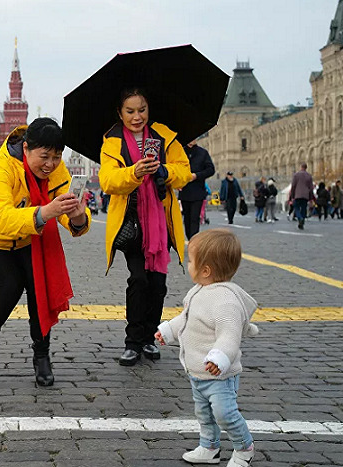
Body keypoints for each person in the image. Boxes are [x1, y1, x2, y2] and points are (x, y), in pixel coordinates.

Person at [0, 117, 91, 389]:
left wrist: (77, 217)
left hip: (26, 234)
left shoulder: (55, 168)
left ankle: (42, 356)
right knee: (10, 285)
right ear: (26, 148)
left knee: (38, 284)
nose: (50, 164)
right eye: (44, 157)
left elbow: (63, 206)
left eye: (56, 157)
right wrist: (46, 212)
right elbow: (1, 218)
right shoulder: (1, 167)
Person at [98, 88, 192, 366]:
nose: (137, 116)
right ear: (120, 113)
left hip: (161, 223)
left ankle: (150, 337)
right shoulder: (112, 141)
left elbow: (184, 172)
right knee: (138, 279)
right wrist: (134, 172)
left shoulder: (165, 136)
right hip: (131, 222)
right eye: (130, 111)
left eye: (142, 110)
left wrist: (164, 170)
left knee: (158, 284)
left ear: (149, 109)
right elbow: (107, 181)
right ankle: (133, 341)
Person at [156, 229, 258, 467]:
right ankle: (209, 447)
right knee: (204, 414)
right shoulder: (199, 291)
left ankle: (244, 448)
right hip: (198, 373)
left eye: (191, 261)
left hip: (219, 375)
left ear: (205, 270)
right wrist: (169, 331)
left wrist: (219, 358)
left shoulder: (225, 302)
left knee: (225, 414)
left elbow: (229, 336)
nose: (188, 265)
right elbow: (187, 319)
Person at [179, 140, 215, 239]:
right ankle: (190, 237)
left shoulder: (203, 153)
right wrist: (177, 182)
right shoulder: (180, 151)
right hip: (184, 190)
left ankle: (193, 240)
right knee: (187, 218)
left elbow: (211, 170)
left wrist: (197, 175)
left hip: (198, 191)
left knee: (195, 218)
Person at [289, 162, 314, 230]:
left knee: (296, 207)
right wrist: (311, 198)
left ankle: (300, 218)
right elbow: (311, 188)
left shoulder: (296, 175)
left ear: (301, 167)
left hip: (297, 195)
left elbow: (293, 186)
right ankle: (302, 221)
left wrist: (292, 196)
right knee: (303, 208)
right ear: (306, 168)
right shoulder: (309, 176)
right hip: (305, 195)